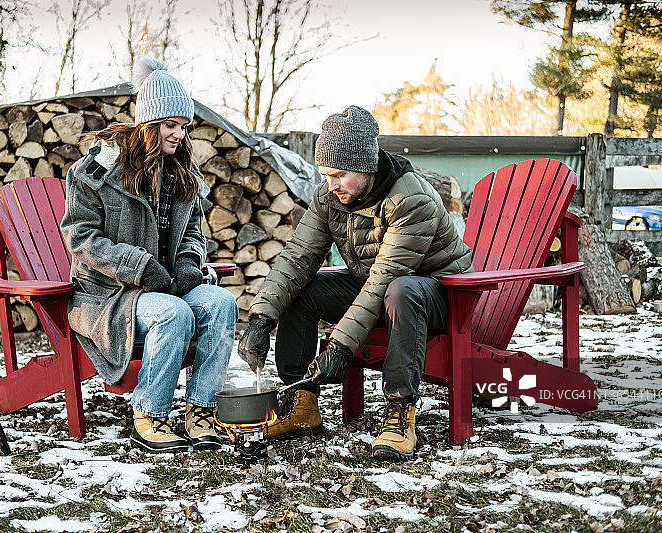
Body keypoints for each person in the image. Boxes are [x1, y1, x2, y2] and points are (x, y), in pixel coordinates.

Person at [238, 105, 473, 460]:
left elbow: (385, 280)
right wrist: (261, 319)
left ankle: (399, 411)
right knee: (306, 288)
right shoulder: (329, 196)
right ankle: (302, 403)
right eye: (325, 174)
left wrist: (339, 348)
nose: (331, 185)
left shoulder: (410, 199)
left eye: (340, 174)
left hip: (440, 296)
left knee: (402, 290)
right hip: (383, 290)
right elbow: (298, 256)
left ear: (366, 165)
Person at [61, 56, 238, 454]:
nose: (178, 134)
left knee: (222, 303)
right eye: (170, 125)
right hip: (109, 295)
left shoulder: (182, 173)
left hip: (165, 286)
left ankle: (201, 411)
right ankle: (150, 413)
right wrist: (139, 266)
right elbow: (80, 237)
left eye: (183, 127)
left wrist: (189, 263)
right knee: (173, 314)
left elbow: (193, 230)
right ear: (148, 123)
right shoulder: (97, 172)